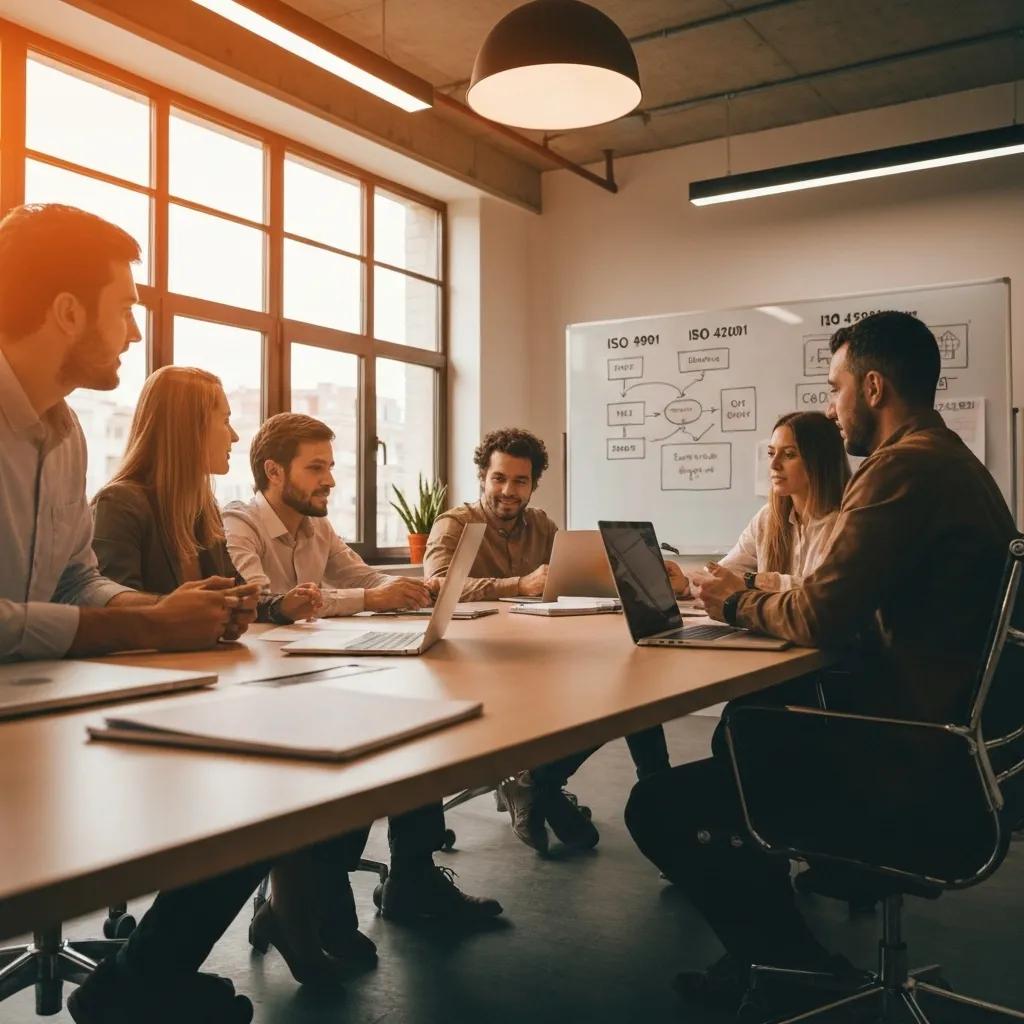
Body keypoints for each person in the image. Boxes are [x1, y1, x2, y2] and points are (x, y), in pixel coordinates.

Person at [625, 312, 1018, 1022]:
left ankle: (792, 966)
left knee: (663, 803)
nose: (831, 407)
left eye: (835, 389)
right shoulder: (952, 463)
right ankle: (772, 953)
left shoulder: (903, 469)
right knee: (747, 727)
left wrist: (735, 600)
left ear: (872, 386)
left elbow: (814, 615)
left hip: (918, 762)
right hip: (964, 749)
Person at [0, 203, 261, 1024]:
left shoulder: (66, 432)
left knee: (258, 786)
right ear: (68, 311)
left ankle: (141, 983)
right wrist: (141, 625)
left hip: (39, 705)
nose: (135, 335)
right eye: (125, 310)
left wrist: (169, 611)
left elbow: (76, 581)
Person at [91, 367, 375, 987]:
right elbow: (106, 606)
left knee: (334, 762)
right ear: (189, 425)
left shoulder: (201, 511)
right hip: (146, 702)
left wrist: (254, 605)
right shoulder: (122, 502)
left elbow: (228, 594)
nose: (231, 432)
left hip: (212, 688)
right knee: (266, 797)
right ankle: (146, 977)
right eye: (221, 417)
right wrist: (186, 611)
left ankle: (288, 920)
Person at [223, 412, 503, 924]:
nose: (330, 479)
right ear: (274, 471)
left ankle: (411, 876)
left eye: (330, 466)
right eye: (316, 468)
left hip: (312, 674)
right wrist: (372, 596)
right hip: (254, 689)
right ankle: (321, 897)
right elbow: (266, 600)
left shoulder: (316, 524)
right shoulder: (239, 522)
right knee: (373, 731)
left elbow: (362, 576)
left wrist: (419, 590)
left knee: (413, 718)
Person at [423, 427, 681, 855]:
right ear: (482, 477)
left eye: (520, 481)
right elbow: (437, 585)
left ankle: (545, 782)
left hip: (539, 652)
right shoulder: (455, 524)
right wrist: (518, 584)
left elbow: (567, 576)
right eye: (499, 478)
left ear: (533, 484)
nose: (508, 490)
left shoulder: (541, 525)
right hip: (477, 660)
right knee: (614, 692)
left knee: (632, 688)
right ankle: (540, 781)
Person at [673, 411, 850, 598]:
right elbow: (727, 571)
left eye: (789, 455)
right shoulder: (767, 518)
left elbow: (820, 592)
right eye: (771, 453)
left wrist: (753, 581)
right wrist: (685, 584)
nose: (774, 464)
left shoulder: (846, 522)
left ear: (819, 460)